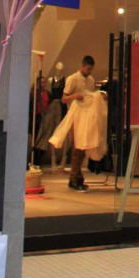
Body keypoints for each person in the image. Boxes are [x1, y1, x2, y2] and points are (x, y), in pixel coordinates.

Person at [58, 56, 96, 191]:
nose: (89, 71)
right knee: (76, 148)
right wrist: (75, 96)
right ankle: (74, 178)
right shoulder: (72, 79)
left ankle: (78, 177)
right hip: (74, 116)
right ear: (82, 65)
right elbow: (63, 99)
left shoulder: (91, 80)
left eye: (91, 69)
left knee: (83, 148)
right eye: (88, 69)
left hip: (86, 116)